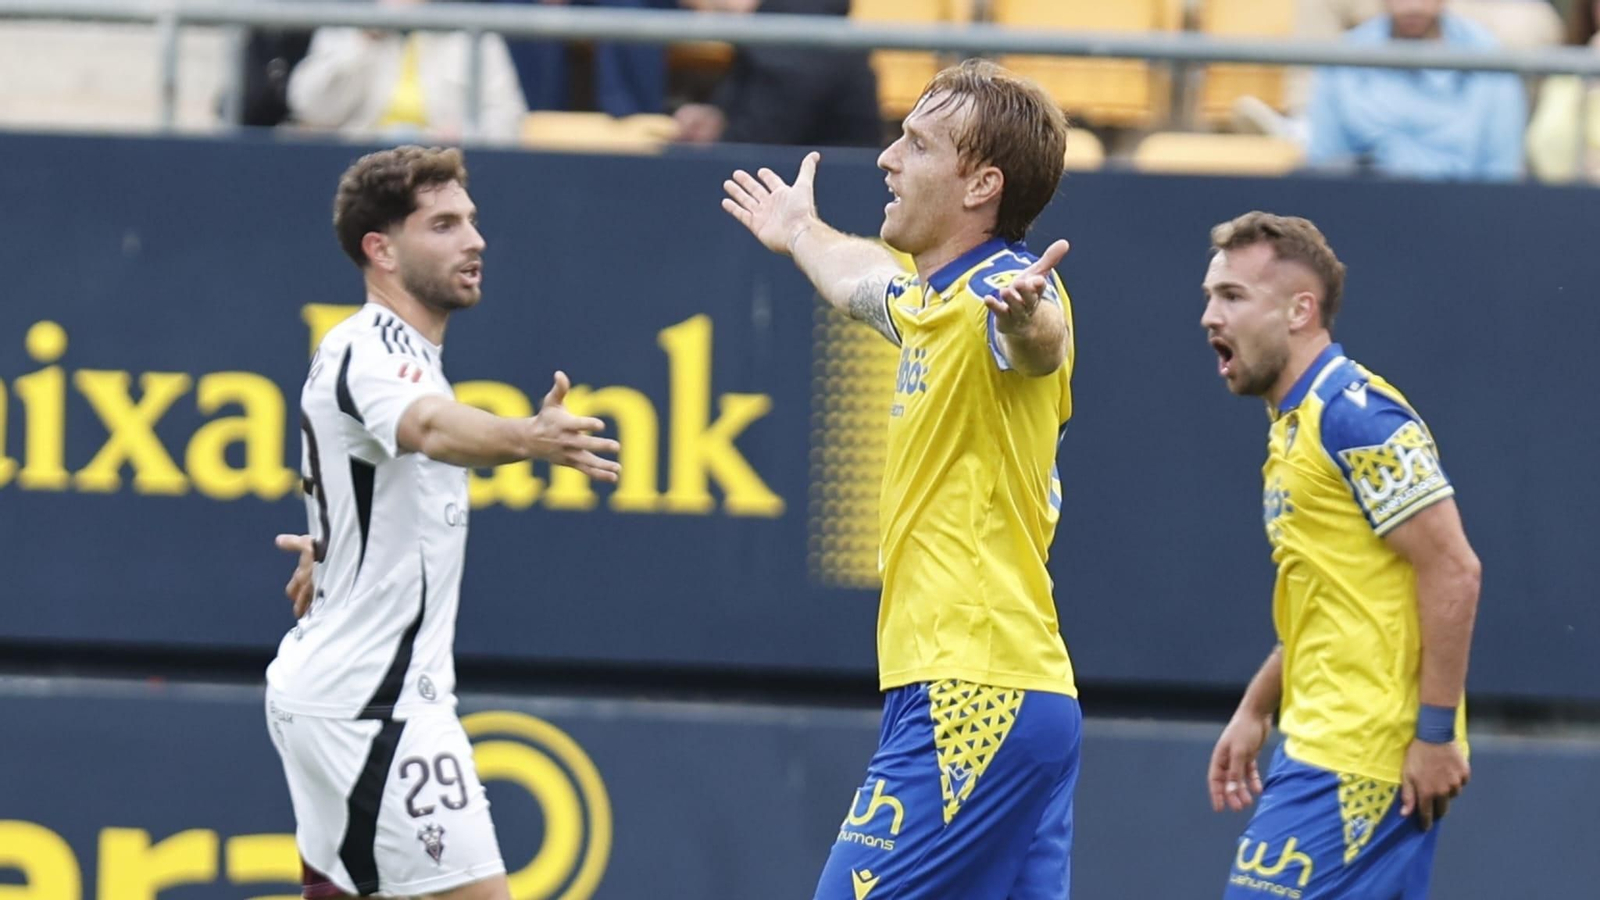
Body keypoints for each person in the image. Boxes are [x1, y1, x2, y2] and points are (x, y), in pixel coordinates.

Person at [721, 59, 1081, 900]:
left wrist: (1032, 318)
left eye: (917, 145)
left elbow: (1039, 342)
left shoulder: (1003, 293)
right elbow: (861, 283)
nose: (887, 158)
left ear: (981, 185)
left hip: (973, 695)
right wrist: (798, 230)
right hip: (1016, 691)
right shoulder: (932, 304)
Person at [266, 145, 620, 900]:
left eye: (472, 221)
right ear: (381, 250)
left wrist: (334, 550)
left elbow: (369, 477)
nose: (474, 240)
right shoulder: (372, 346)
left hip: (347, 694)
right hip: (375, 706)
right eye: (444, 225)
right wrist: (528, 436)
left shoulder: (389, 351)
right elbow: (428, 428)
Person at [1199, 212, 1482, 899]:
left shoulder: (1356, 416)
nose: (1210, 316)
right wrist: (1257, 706)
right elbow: (1336, 597)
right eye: (1210, 296)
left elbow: (1454, 569)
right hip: (1324, 741)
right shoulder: (1294, 427)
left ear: (1300, 311)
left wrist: (1435, 734)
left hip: (1361, 755)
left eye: (1232, 296)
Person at [1306, 0, 1527, 181]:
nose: (1413, 6)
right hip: (1362, 204)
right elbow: (1325, 164)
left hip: (1465, 208)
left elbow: (1502, 170)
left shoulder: (1489, 56)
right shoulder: (1345, 54)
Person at [286, 0, 529, 146]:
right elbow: (311, 108)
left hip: (446, 171)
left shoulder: (476, 31)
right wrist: (366, 37)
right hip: (360, 170)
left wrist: (465, 138)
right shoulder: (347, 21)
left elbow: (507, 120)